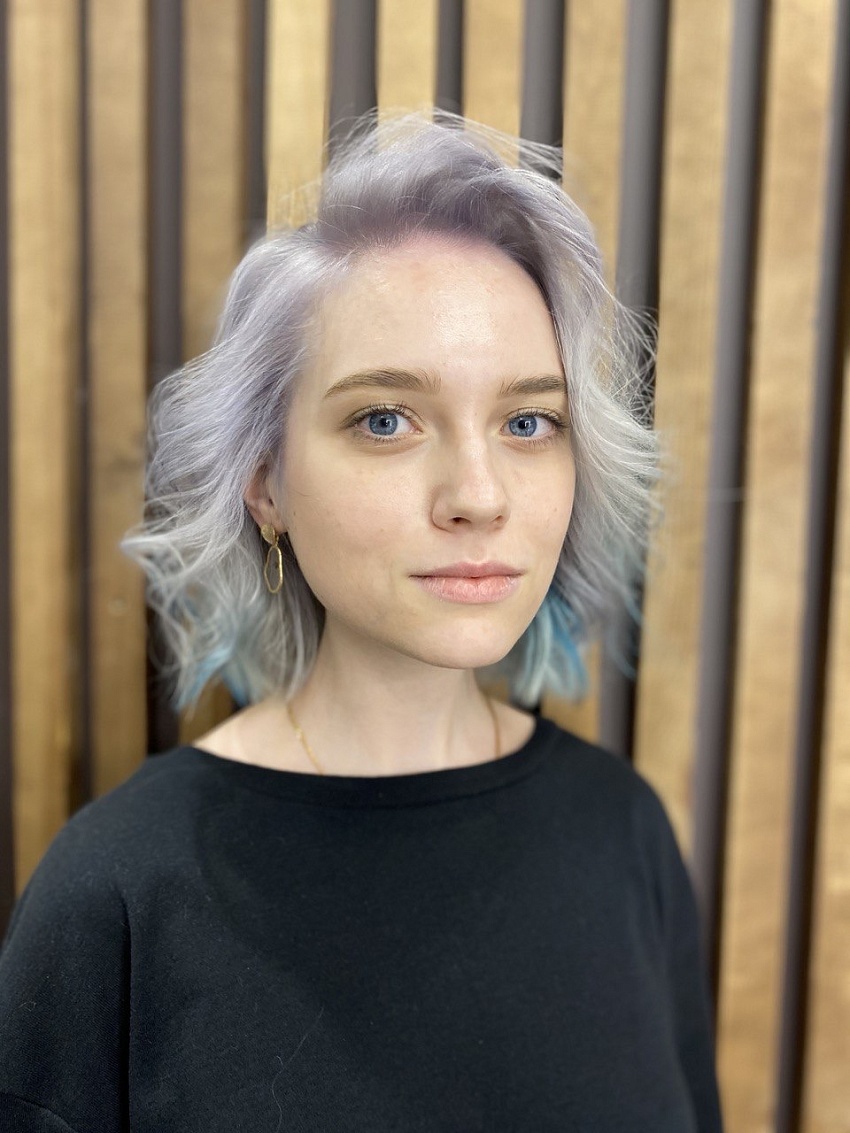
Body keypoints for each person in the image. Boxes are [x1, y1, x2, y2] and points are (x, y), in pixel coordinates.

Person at [0, 109, 724, 1131]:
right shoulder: (115, 893)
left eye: (528, 421)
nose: (479, 495)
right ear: (265, 481)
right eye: (385, 419)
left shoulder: (625, 835)